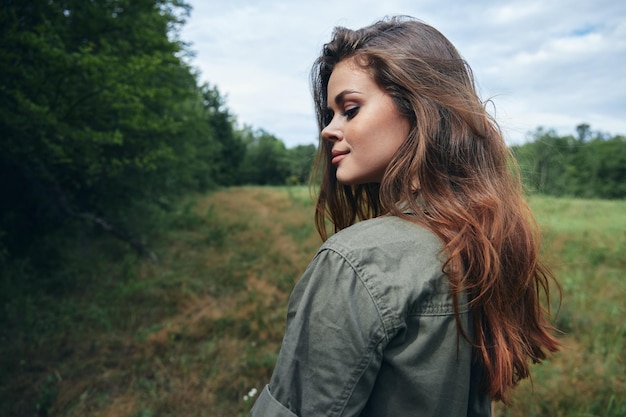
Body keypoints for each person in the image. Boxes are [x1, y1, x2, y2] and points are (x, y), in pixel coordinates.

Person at [251, 15, 560, 417]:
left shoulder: (356, 260)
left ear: (418, 108)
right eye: (329, 115)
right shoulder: (478, 242)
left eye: (349, 109)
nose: (329, 130)